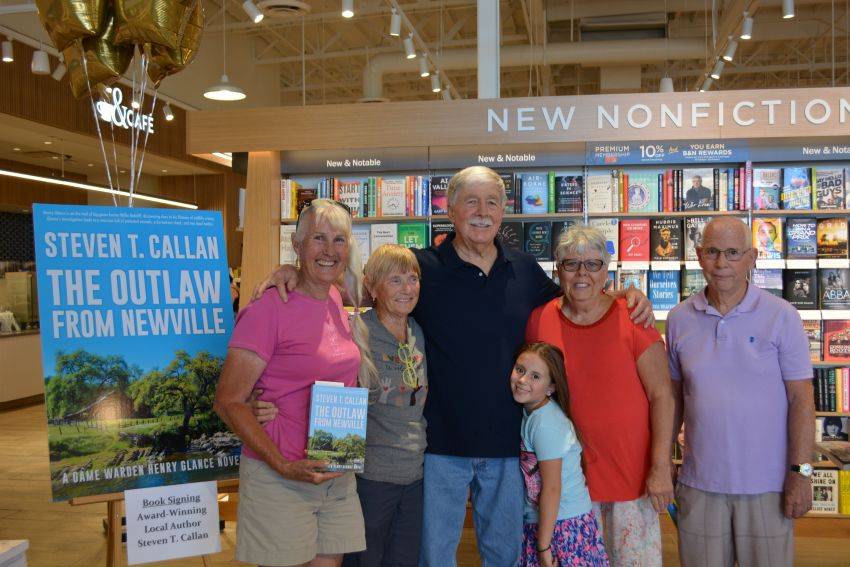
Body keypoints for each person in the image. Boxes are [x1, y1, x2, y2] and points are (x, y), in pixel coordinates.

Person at [258, 166, 654, 566]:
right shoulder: (421, 269)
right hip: (438, 448)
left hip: (506, 445)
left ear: (503, 211)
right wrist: (293, 271)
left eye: (492, 202)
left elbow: (576, 294)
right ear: (450, 210)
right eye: (471, 202)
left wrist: (625, 294)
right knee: (435, 558)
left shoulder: (523, 268)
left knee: (505, 557)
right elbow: (364, 286)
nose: (482, 211)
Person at [214, 199, 369, 567]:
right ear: (297, 246)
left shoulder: (335, 297)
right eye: (318, 238)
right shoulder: (268, 309)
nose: (329, 250)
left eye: (338, 240)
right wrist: (283, 464)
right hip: (280, 477)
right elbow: (228, 401)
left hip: (334, 472)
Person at [666, 217, 815, 567]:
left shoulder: (783, 316)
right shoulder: (678, 319)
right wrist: (662, 460)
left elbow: (801, 399)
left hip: (768, 486)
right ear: (699, 255)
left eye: (733, 253)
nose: (722, 263)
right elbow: (672, 398)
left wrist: (801, 473)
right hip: (699, 484)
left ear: (752, 257)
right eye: (713, 252)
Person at [525, 224, 675, 566]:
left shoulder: (634, 318)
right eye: (571, 264)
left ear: (606, 270)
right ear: (558, 269)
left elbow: (662, 396)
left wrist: (660, 466)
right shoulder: (539, 320)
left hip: (631, 479)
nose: (582, 273)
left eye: (593, 264)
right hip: (567, 483)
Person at [512, 342, 609, 567]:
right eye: (520, 370)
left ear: (551, 388)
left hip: (562, 525)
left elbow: (552, 488)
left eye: (535, 376)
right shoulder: (532, 412)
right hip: (548, 521)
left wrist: (543, 546)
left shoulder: (546, 422)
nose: (523, 380)